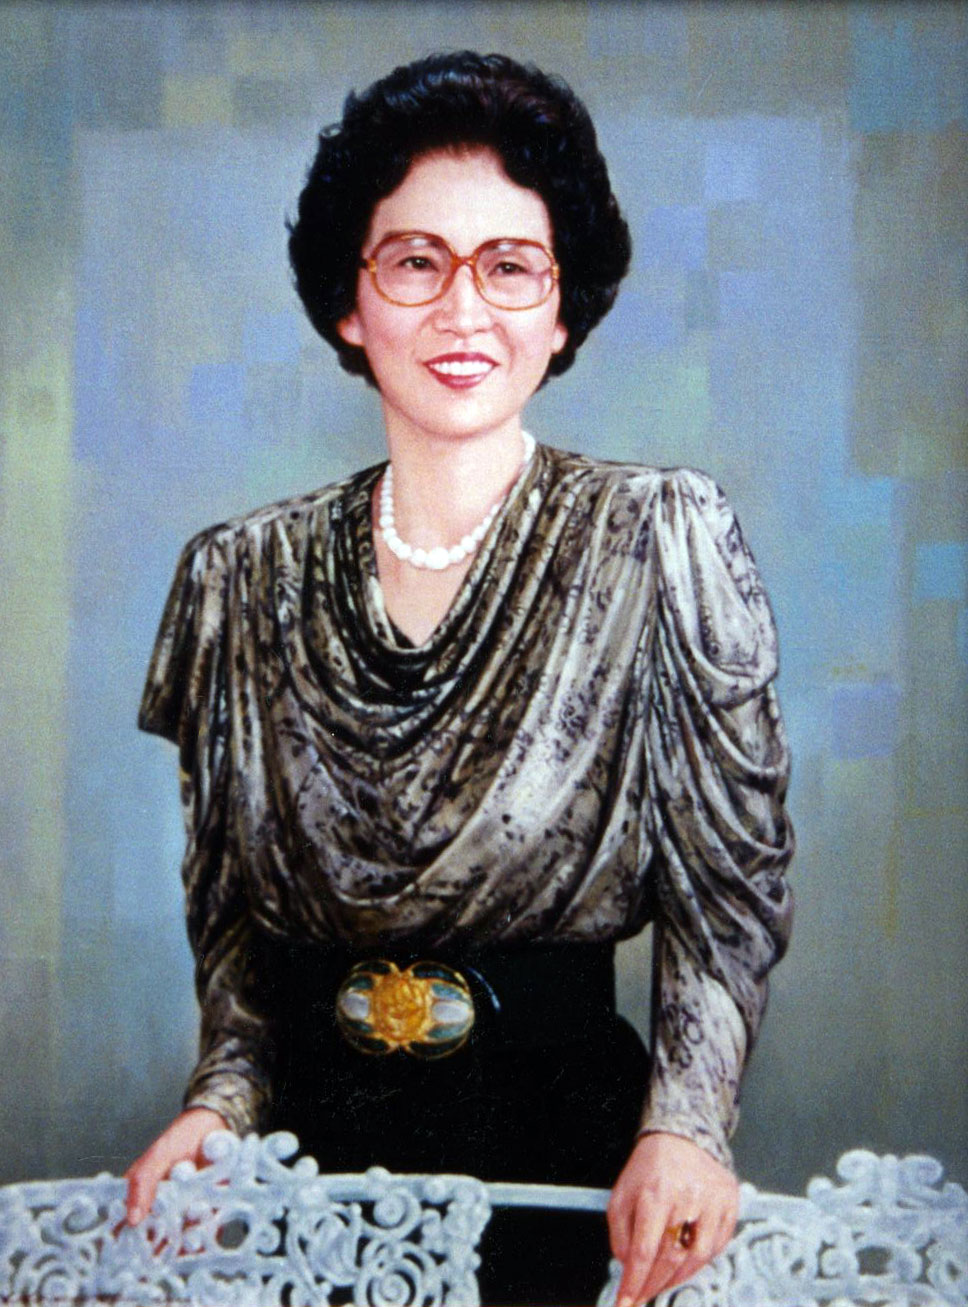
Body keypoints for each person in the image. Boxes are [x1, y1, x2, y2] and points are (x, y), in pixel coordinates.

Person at [125, 51, 794, 1307]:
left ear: (562, 310)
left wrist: (690, 1120)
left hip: (571, 1160)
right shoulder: (236, 576)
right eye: (416, 262)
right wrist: (221, 1102)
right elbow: (231, 925)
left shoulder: (658, 538)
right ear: (348, 302)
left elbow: (728, 893)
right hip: (306, 1174)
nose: (463, 312)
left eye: (510, 267)